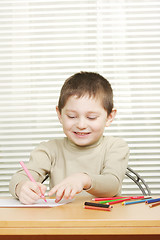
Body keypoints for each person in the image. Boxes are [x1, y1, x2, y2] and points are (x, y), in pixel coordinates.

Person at [9, 71, 129, 205]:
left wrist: (84, 179)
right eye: (72, 116)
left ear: (109, 117)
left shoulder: (116, 146)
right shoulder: (49, 149)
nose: (81, 125)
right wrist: (21, 187)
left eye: (91, 117)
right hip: (62, 222)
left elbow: (112, 185)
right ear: (59, 115)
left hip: (106, 221)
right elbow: (19, 177)